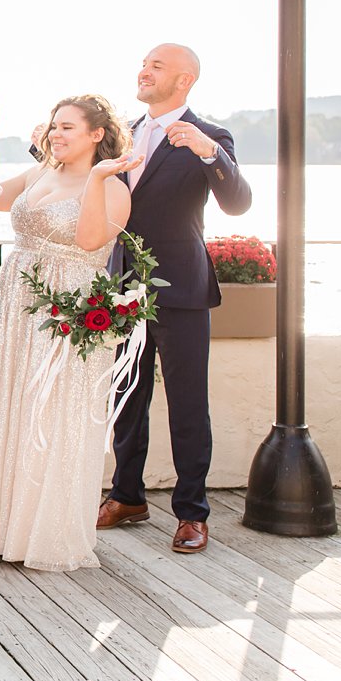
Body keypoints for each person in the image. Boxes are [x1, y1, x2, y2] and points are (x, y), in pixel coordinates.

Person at [0, 96, 141, 570]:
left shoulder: (114, 187)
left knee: (57, 411)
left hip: (70, 311)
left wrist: (100, 179)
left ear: (96, 134)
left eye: (67, 127)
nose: (56, 134)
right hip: (19, 304)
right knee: (16, 403)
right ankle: (2, 529)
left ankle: (46, 534)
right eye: (54, 126)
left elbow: (87, 241)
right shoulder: (42, 171)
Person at [96, 43, 252, 553]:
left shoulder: (212, 138)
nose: (144, 70)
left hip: (181, 288)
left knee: (188, 404)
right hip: (123, 287)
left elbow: (238, 202)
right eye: (143, 62)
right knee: (125, 397)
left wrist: (209, 152)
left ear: (184, 81)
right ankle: (127, 496)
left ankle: (192, 512)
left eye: (157, 65)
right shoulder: (122, 135)